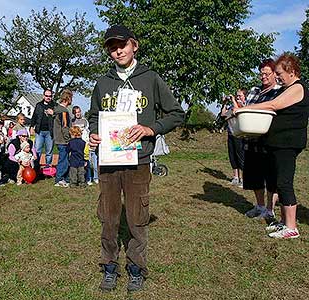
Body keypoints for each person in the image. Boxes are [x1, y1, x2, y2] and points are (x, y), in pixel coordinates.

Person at [88, 25, 184, 292]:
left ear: (134, 45)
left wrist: (150, 129)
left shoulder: (150, 79)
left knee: (136, 218)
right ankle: (109, 267)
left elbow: (176, 113)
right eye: (111, 47)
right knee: (108, 218)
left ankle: (136, 268)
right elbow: (93, 115)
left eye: (122, 45)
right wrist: (93, 133)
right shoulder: (103, 83)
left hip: (138, 160)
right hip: (108, 161)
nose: (117, 50)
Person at [236, 53, 309, 239]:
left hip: (287, 144)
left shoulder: (298, 87)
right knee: (279, 182)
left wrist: (246, 109)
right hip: (278, 144)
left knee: (284, 184)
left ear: (291, 71)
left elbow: (274, 105)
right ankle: (284, 223)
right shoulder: (288, 87)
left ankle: (291, 227)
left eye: (279, 73)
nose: (277, 77)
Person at [243, 59, 281, 220]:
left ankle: (270, 209)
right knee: (254, 176)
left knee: (271, 177)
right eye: (261, 73)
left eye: (267, 73)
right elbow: (246, 108)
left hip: (270, 141)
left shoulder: (280, 91)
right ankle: (259, 206)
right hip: (252, 140)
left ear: (274, 74)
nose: (263, 76)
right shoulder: (254, 91)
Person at [221, 89, 246, 187]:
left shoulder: (245, 105)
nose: (238, 97)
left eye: (240, 96)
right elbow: (223, 114)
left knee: (241, 157)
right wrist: (224, 103)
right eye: (237, 96)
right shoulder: (232, 106)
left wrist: (233, 101)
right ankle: (236, 177)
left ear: (244, 96)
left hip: (240, 135)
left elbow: (237, 111)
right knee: (232, 156)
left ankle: (244, 179)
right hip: (231, 134)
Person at [53, 89, 73, 187]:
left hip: (58, 138)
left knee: (64, 159)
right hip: (63, 140)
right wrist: (68, 139)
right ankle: (59, 179)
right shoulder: (63, 111)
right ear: (68, 99)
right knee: (64, 160)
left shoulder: (57, 109)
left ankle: (66, 178)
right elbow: (65, 126)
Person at [30, 90, 55, 169]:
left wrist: (53, 113)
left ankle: (48, 168)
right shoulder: (39, 105)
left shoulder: (54, 106)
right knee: (37, 150)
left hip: (50, 132)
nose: (48, 97)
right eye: (47, 96)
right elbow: (34, 117)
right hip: (39, 131)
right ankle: (36, 167)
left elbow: (59, 117)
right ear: (43, 96)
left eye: (50, 96)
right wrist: (31, 126)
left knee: (49, 151)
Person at [72, 106, 95, 185]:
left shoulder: (84, 121)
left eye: (78, 112)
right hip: (76, 145)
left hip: (84, 143)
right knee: (77, 163)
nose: (77, 114)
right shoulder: (73, 121)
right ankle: (78, 179)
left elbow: (88, 131)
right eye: (76, 113)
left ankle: (88, 178)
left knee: (86, 161)